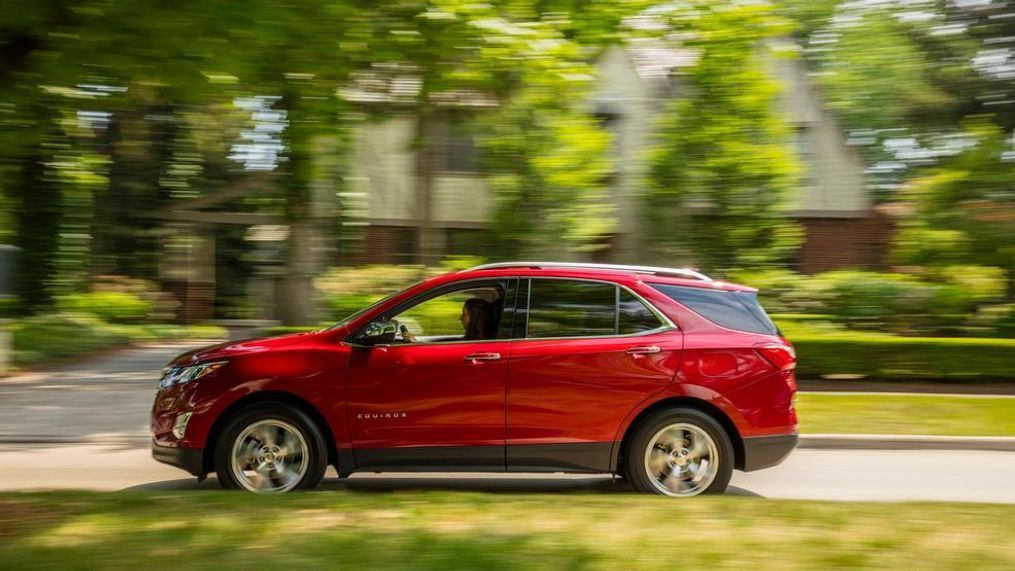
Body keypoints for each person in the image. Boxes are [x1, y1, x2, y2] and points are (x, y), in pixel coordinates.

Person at [400, 297, 495, 343]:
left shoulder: (478, 345)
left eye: (464, 314)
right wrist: (417, 344)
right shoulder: (473, 340)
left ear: (475, 319)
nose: (460, 318)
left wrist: (417, 344)